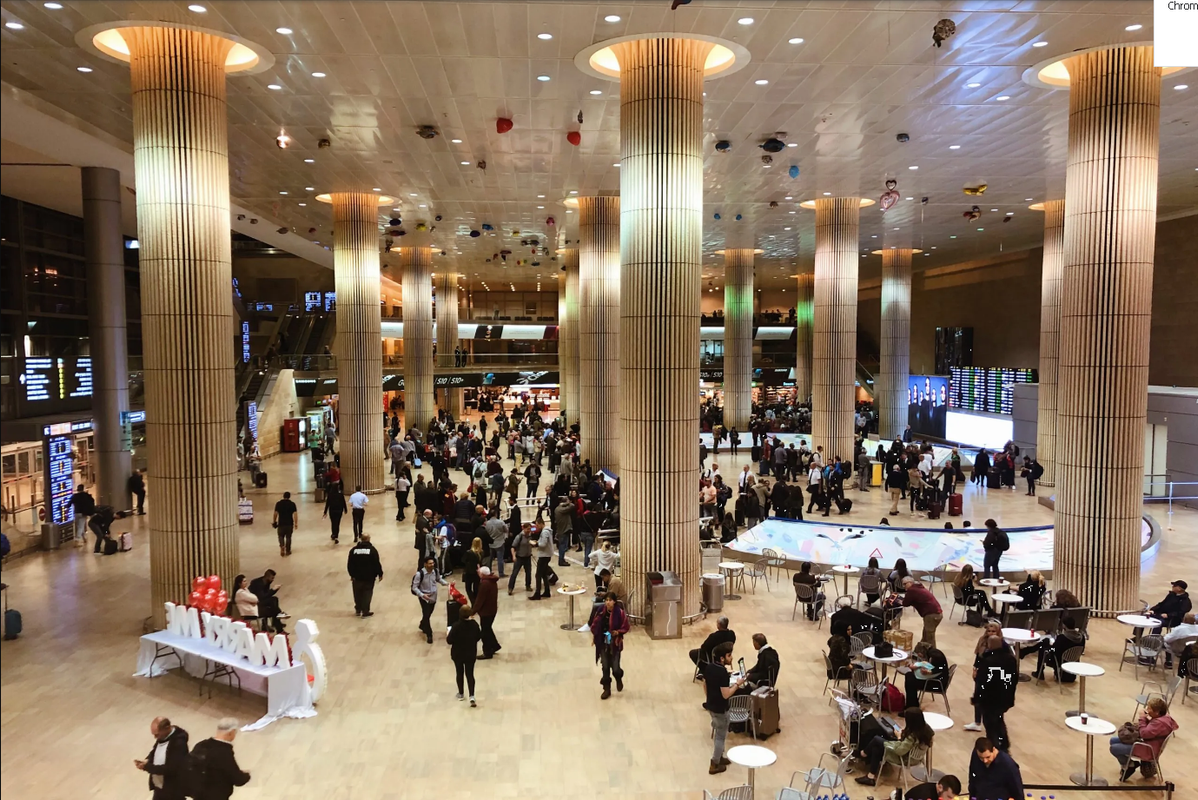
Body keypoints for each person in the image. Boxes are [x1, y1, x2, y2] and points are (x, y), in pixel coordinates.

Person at [854, 707, 935, 786]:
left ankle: (863, 754)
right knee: (876, 747)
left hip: (904, 759)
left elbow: (899, 751)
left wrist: (899, 737)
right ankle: (870, 776)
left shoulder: (912, 737)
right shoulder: (926, 730)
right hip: (917, 758)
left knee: (877, 739)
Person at [1109, 697, 1178, 781]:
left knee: (1114, 748)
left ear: (1156, 712)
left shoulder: (1160, 723)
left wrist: (1142, 718)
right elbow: (1149, 731)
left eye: (1149, 708)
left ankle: (1129, 766)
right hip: (1147, 743)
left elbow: (1144, 734)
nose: (1147, 709)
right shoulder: (1163, 718)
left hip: (1147, 748)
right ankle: (1128, 765)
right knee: (1113, 740)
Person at [704, 642, 748, 775]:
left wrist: (710, 698)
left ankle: (720, 757)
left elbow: (705, 685)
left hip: (712, 706)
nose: (732, 658)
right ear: (722, 658)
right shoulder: (722, 672)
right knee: (720, 737)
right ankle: (715, 763)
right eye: (729, 655)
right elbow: (726, 694)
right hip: (720, 709)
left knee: (719, 733)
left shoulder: (709, 667)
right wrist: (738, 684)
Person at [188, 717, 251, 800]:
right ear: (231, 733)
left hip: (198, 794)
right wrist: (246, 775)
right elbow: (237, 779)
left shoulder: (201, 745)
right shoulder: (224, 753)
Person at [975, 635, 1018, 750]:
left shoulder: (988, 661)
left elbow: (982, 681)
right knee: (998, 719)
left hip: (990, 698)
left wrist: (977, 697)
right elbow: (1014, 679)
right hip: (1005, 697)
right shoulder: (1011, 659)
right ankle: (1003, 743)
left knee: (990, 723)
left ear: (989, 645)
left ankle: (995, 746)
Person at [135, 717, 189, 800]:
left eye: (157, 734)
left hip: (173, 790)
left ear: (166, 728)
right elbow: (155, 750)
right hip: (160, 788)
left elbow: (170, 769)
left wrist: (147, 767)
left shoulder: (179, 744)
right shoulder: (163, 737)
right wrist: (148, 760)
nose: (155, 737)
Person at [590, 591, 630, 699]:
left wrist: (618, 632)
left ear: (614, 602)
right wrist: (595, 637)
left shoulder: (620, 613)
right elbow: (594, 624)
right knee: (605, 666)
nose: (608, 602)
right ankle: (606, 689)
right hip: (603, 643)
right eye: (606, 600)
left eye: (610, 600)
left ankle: (618, 677)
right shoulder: (600, 611)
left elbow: (626, 626)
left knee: (616, 668)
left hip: (614, 644)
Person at [1029, 616, 1085, 681]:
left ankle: (1039, 672)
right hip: (1073, 663)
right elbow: (1081, 650)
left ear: (1064, 625)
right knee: (1045, 642)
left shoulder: (1062, 638)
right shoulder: (1082, 637)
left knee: (1043, 646)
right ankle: (1025, 651)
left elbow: (1055, 651)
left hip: (1059, 663)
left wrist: (1051, 645)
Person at [447, 603, 482, 707]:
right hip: (470, 653)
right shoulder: (474, 625)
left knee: (459, 672)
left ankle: (461, 693)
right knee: (470, 674)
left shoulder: (456, 626)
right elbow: (478, 637)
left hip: (458, 653)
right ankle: (472, 695)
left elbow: (449, 641)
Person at [347, 532, 384, 617]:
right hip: (369, 577)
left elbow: (350, 564)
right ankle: (365, 610)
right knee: (367, 593)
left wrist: (352, 575)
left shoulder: (354, 550)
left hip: (357, 577)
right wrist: (380, 573)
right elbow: (376, 563)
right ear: (368, 539)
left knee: (357, 593)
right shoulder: (372, 550)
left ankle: (358, 609)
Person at [901, 577, 944, 650]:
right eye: (903, 585)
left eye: (905, 584)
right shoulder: (918, 587)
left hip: (931, 615)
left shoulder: (912, 590)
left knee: (930, 638)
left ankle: (933, 656)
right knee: (926, 636)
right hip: (936, 613)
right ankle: (918, 652)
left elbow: (905, 603)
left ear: (910, 582)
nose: (904, 586)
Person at [903, 641, 949, 709]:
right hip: (936, 679)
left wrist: (930, 672)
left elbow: (941, 668)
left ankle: (911, 707)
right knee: (909, 675)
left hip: (937, 683)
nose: (919, 656)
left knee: (910, 681)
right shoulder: (933, 653)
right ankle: (913, 704)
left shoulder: (935, 656)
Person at [412, 556, 442, 644]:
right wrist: (422, 595)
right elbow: (414, 587)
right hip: (424, 598)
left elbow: (438, 579)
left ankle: (422, 624)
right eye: (430, 563)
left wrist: (447, 584)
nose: (432, 565)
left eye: (433, 563)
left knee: (428, 614)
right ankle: (429, 634)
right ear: (425, 564)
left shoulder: (435, 571)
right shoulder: (419, 574)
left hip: (433, 597)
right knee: (426, 613)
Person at [474, 566, 502, 658]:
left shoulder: (484, 584)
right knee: (488, 629)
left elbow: (480, 599)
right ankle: (494, 646)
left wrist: (473, 611)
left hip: (486, 611)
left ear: (482, 574)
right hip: (492, 609)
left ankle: (487, 652)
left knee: (484, 632)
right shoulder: (492, 581)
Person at [507, 523, 534, 596]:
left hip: (527, 557)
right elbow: (513, 547)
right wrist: (513, 556)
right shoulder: (519, 537)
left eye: (530, 529)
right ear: (524, 528)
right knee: (514, 573)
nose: (529, 530)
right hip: (519, 557)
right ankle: (510, 588)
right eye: (528, 529)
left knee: (528, 572)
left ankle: (528, 586)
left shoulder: (530, 536)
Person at [531, 523, 555, 600]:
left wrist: (536, 544)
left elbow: (543, 544)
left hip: (544, 555)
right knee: (544, 574)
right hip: (546, 555)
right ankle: (547, 591)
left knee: (538, 575)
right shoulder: (547, 531)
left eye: (537, 525)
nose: (537, 527)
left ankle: (537, 593)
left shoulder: (544, 532)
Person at [272, 491, 298, 557]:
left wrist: (274, 521)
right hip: (289, 523)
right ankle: (288, 551)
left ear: (283, 496)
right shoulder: (292, 504)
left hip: (281, 523)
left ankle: (282, 546)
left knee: (280, 536)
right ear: (289, 497)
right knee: (288, 537)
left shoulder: (278, 504)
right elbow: (295, 514)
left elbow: (275, 513)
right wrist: (296, 523)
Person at [462, 537, 483, 602]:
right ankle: (476, 602)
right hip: (477, 572)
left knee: (468, 588)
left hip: (469, 572)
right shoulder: (481, 552)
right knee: (476, 589)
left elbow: (463, 560)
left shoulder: (469, 552)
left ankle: (472, 601)